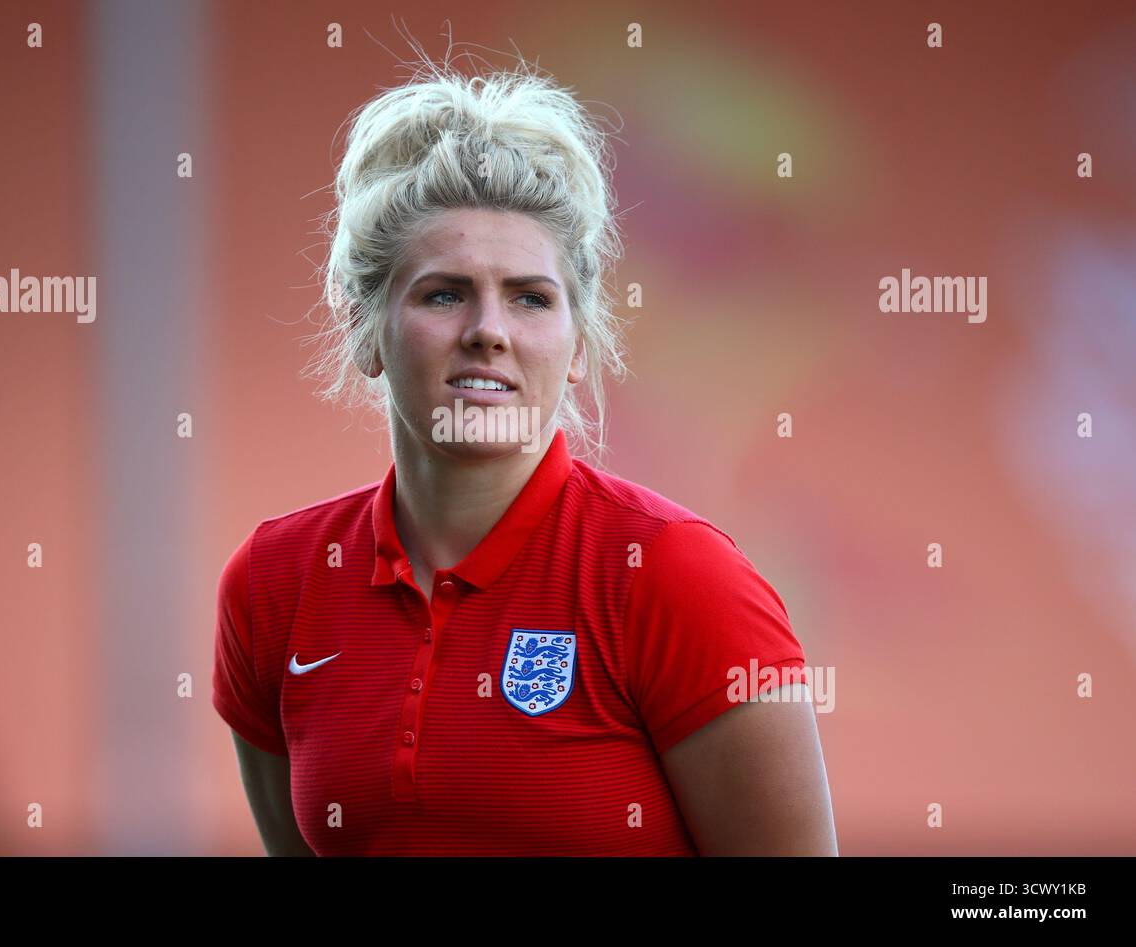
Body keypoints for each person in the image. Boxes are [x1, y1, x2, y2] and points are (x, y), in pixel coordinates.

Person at [211, 57, 837, 856]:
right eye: (443, 292)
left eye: (530, 297)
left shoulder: (678, 575)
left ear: (577, 345)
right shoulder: (272, 584)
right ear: (367, 332)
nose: (489, 328)